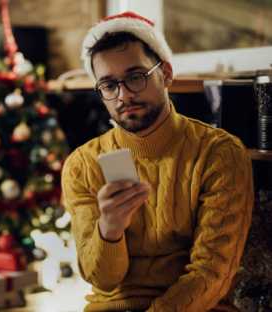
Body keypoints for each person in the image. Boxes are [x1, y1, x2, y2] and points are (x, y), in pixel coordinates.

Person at [61, 11, 254, 312]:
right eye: (109, 85)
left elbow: (212, 273)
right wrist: (109, 229)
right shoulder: (82, 165)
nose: (123, 95)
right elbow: (103, 281)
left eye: (136, 77)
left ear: (165, 73)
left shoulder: (219, 153)